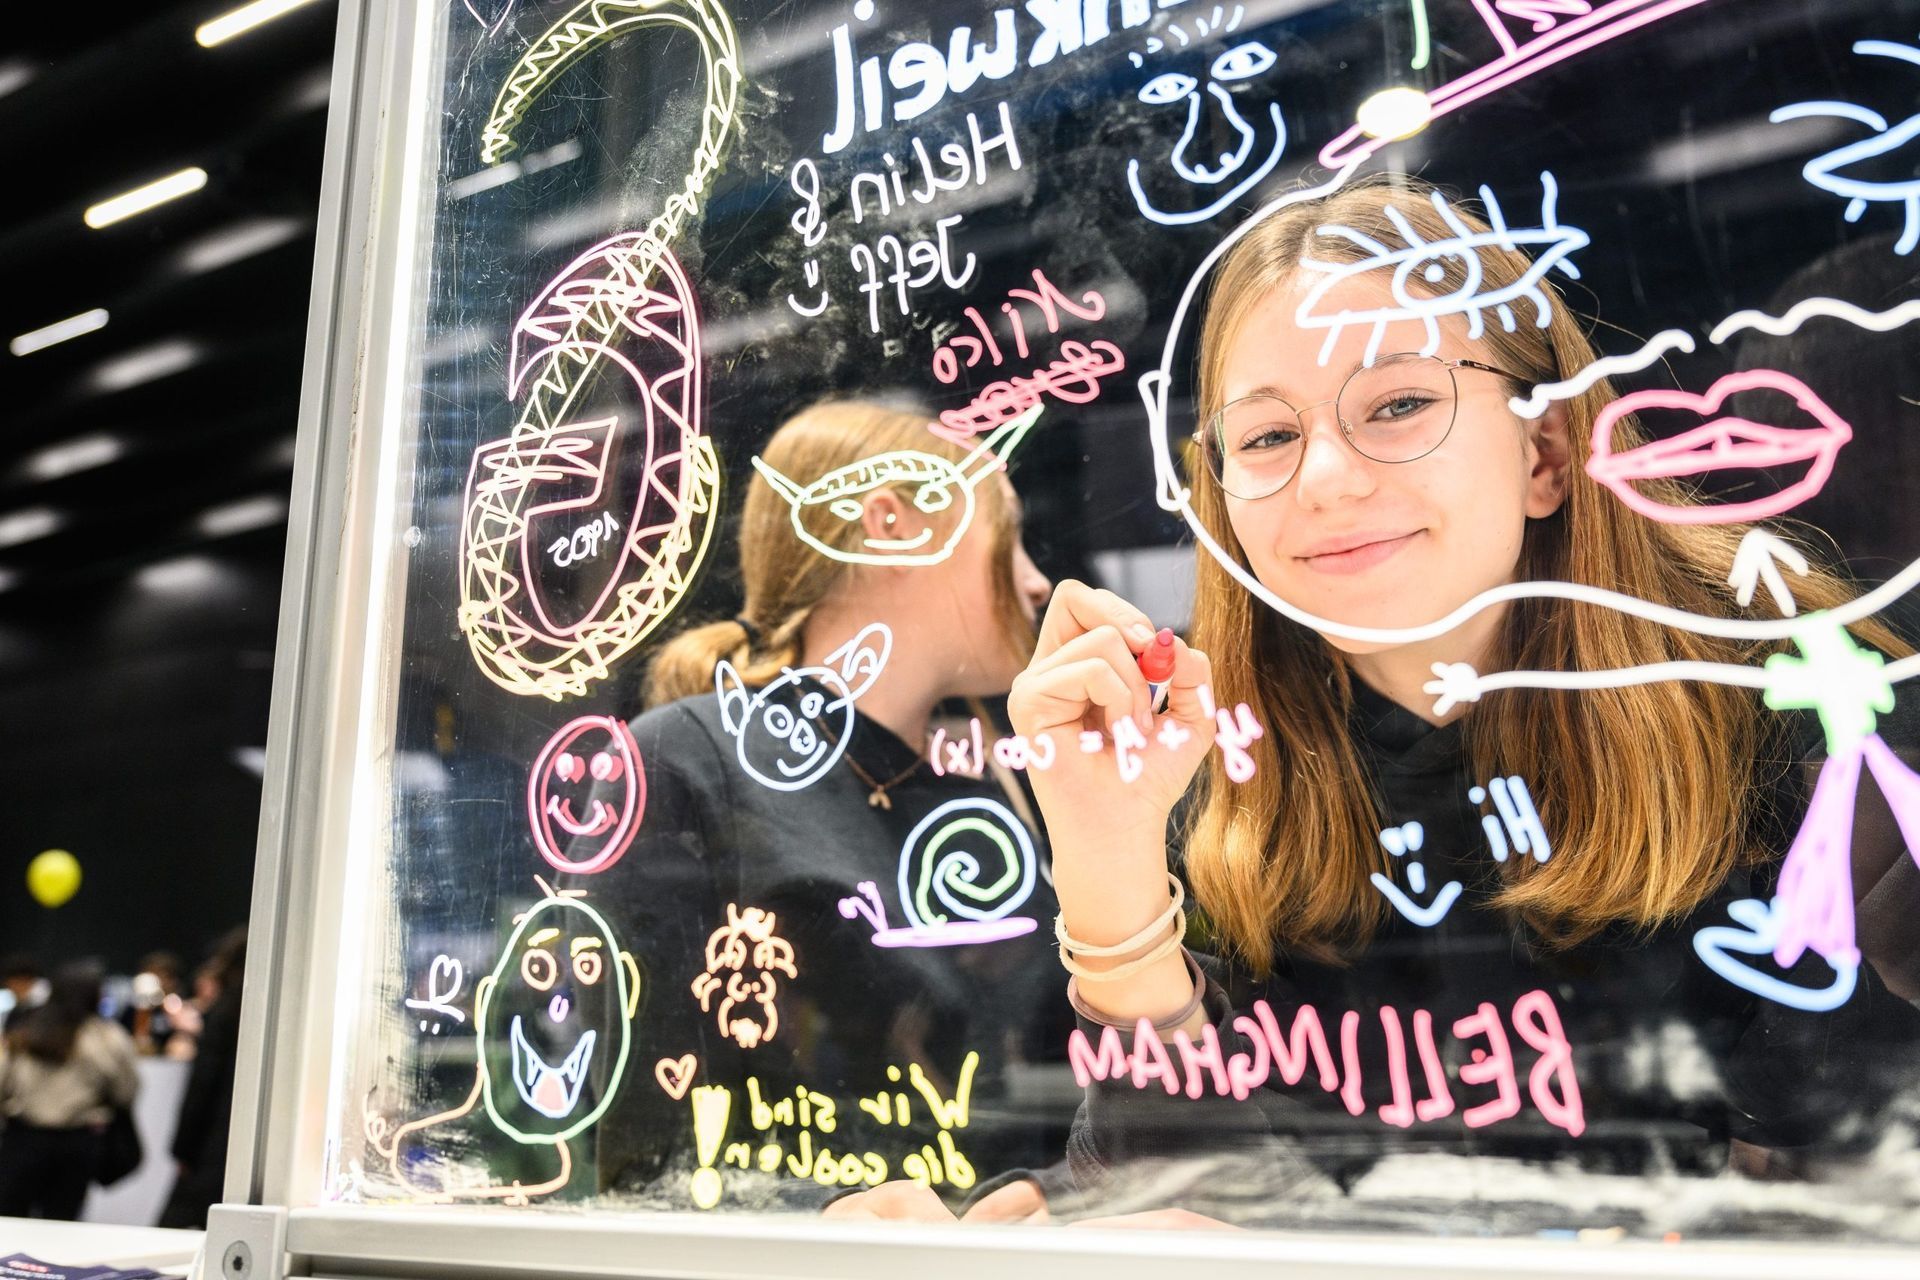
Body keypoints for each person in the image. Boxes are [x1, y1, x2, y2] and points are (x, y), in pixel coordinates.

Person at [850, 175, 1920, 1227]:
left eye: (1400, 404)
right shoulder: (1200, 767)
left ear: (1545, 452)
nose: (1323, 478)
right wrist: (1105, 862)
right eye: (1266, 437)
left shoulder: (1794, 706)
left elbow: (1854, 1196)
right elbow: (1172, 1200)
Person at [572, 399, 1070, 1215]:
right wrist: (816, 1226)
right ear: (891, 522)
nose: (1036, 580)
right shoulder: (686, 760)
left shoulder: (999, 780)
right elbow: (644, 1143)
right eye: (1006, 534)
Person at [0, 962, 140, 1220]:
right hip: (76, 1144)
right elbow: (126, 1091)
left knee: (8, 1222)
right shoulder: (107, 1038)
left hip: (22, 1138)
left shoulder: (25, 1031)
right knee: (62, 1227)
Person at [160, 929, 247, 1229]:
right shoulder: (268, 1011)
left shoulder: (224, 1012)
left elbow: (202, 1087)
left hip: (211, 1148)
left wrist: (183, 1149)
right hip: (245, 1148)